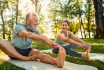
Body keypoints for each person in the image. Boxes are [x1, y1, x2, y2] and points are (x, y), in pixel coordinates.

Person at [0, 12, 66, 68]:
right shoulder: (19, 26)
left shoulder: (35, 30)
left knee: (38, 53)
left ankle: (56, 62)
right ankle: (25, 59)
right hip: (14, 51)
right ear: (28, 21)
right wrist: (43, 38)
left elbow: (44, 38)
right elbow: (27, 34)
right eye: (36, 21)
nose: (37, 23)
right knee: (1, 41)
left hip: (28, 51)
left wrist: (59, 47)